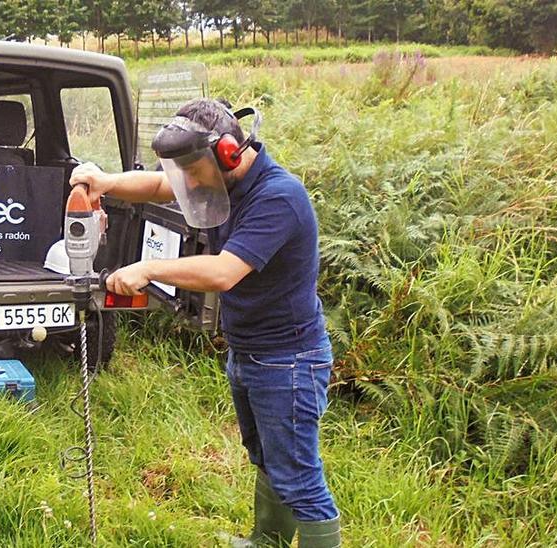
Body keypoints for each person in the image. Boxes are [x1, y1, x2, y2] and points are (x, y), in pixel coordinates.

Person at [70, 98, 341, 548]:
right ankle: (266, 542)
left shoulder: (278, 198)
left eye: (193, 171)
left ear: (231, 153)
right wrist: (107, 182)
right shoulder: (218, 180)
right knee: (265, 459)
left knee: (299, 479)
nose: (188, 182)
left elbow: (223, 272)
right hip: (250, 351)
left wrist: (149, 269)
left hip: (289, 362)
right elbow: (159, 185)